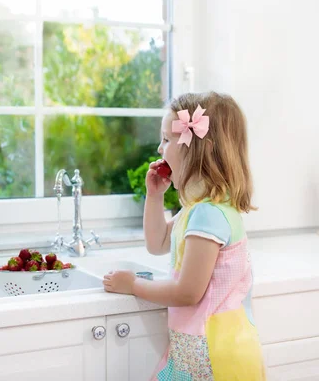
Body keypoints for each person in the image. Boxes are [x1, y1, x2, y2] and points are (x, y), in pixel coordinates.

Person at [103, 92, 265, 379]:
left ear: (199, 149)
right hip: (204, 347)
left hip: (211, 353)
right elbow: (158, 244)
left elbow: (187, 292)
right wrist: (154, 197)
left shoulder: (208, 214)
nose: (159, 147)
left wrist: (133, 285)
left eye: (166, 140)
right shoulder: (200, 208)